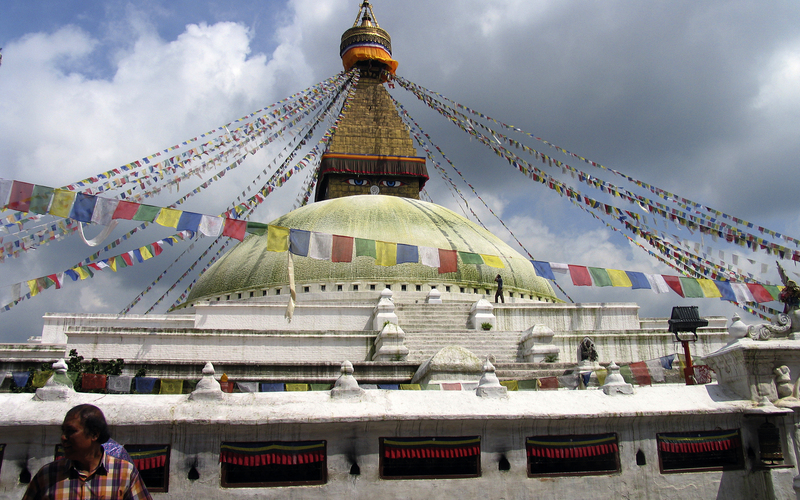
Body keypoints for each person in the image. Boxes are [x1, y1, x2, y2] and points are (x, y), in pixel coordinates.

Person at [22, 404, 151, 500]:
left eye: (71, 431)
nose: (63, 437)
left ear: (94, 434)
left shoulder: (124, 473)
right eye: (63, 431)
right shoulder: (47, 475)